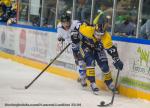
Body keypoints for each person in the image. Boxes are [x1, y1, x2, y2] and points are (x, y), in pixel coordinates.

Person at [74, 22, 123, 95]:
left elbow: (111, 49)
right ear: (94, 30)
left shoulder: (106, 36)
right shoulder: (87, 30)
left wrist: (117, 59)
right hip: (85, 46)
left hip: (98, 49)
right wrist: (74, 34)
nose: (99, 37)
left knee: (105, 66)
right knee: (91, 61)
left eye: (101, 35)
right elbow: (77, 26)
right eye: (97, 34)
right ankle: (92, 83)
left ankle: (109, 82)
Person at [57, 14, 87, 88]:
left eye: (67, 22)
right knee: (78, 62)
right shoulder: (59, 26)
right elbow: (59, 37)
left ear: (70, 21)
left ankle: (83, 77)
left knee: (82, 61)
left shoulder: (76, 24)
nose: (66, 24)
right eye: (64, 23)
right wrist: (61, 39)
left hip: (82, 44)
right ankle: (82, 76)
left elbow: (84, 28)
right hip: (73, 46)